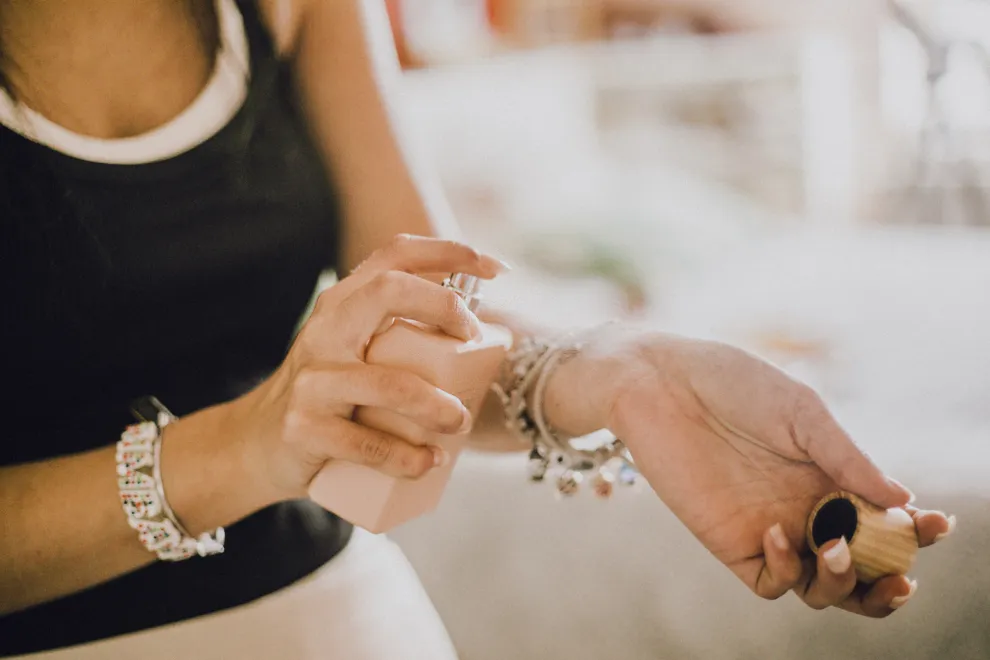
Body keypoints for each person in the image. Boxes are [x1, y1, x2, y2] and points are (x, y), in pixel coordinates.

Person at [0, 1, 953, 658]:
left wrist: (625, 373)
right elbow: (281, 430)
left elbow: (435, 322)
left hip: (342, 624)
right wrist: (245, 447)